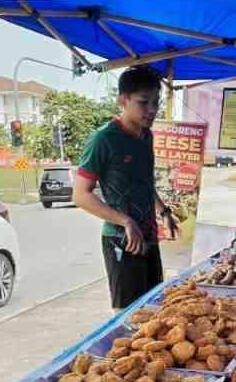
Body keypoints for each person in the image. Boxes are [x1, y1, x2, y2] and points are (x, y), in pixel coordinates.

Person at [73, 64, 174, 311]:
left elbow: (144, 182)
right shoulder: (103, 139)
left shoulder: (146, 135)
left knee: (155, 308)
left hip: (149, 235)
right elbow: (80, 195)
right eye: (143, 102)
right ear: (123, 100)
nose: (152, 110)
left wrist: (164, 212)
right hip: (121, 240)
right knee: (127, 315)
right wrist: (126, 221)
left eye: (156, 102)